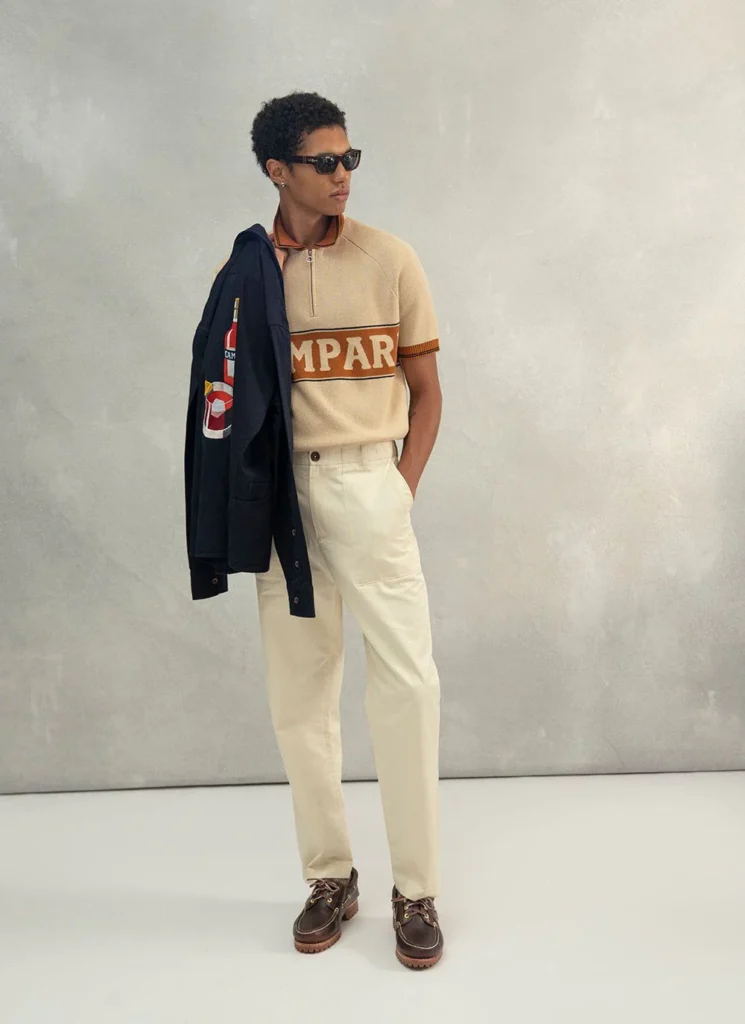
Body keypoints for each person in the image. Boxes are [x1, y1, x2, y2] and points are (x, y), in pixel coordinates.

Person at [225, 91, 444, 969]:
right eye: (324, 162)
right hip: (284, 497)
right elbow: (225, 396)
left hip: (366, 482)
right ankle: (329, 877)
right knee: (299, 696)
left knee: (407, 685)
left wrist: (398, 490)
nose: (342, 174)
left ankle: (415, 888)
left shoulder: (389, 259)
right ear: (277, 170)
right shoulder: (247, 272)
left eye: (350, 158)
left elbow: (426, 393)